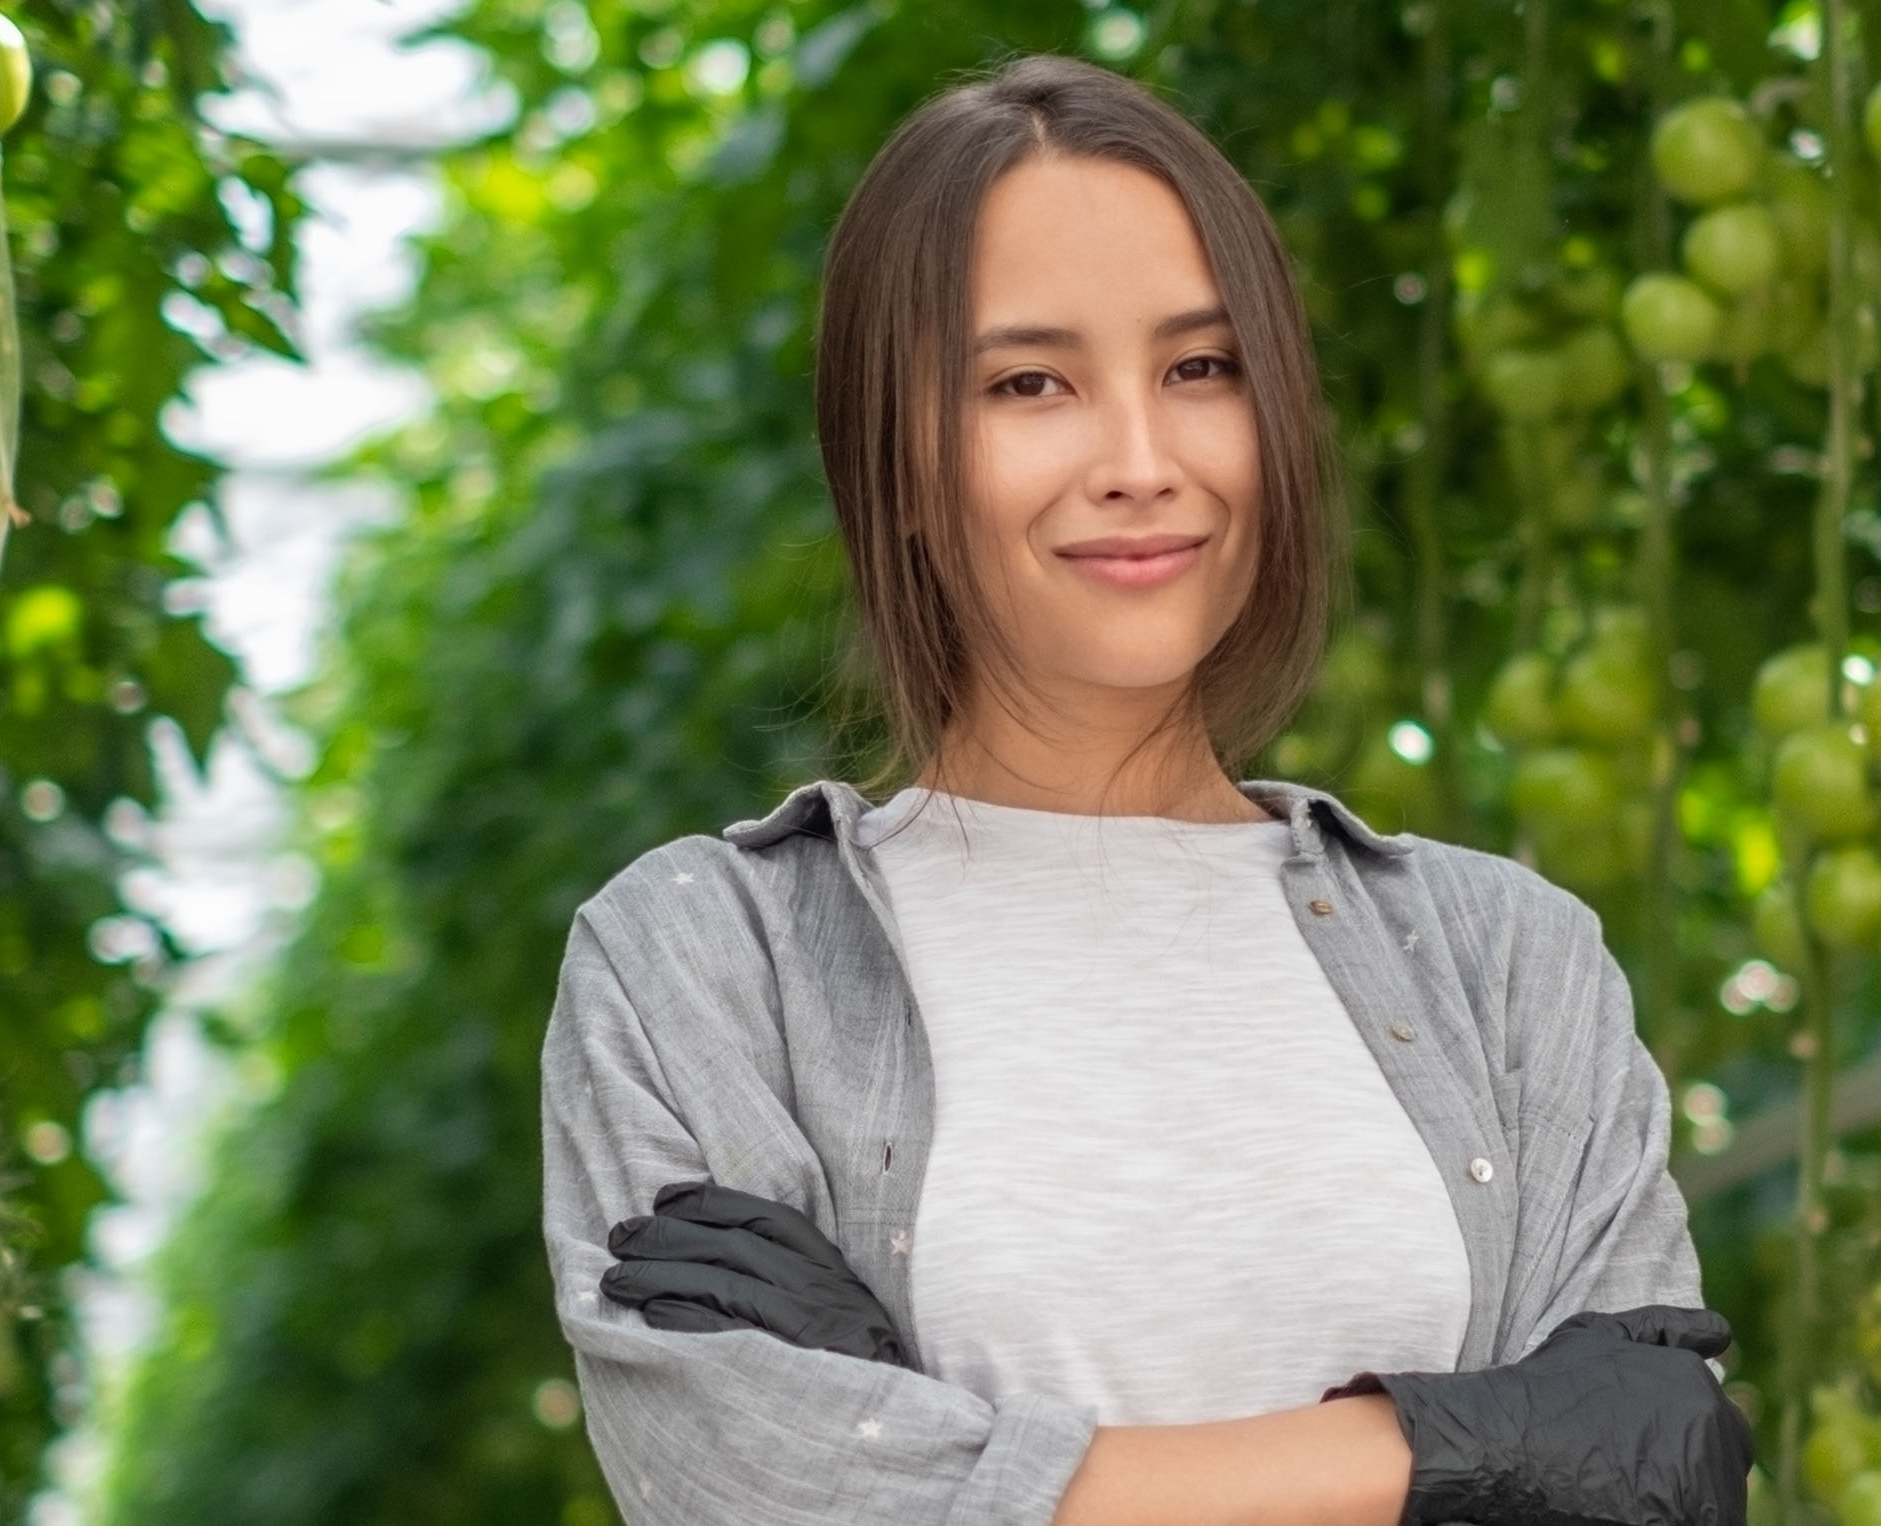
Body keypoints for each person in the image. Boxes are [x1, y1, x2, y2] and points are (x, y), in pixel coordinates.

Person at [537, 53, 1753, 1526]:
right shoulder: (705, 960)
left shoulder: (1513, 960)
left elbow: (1648, 1487)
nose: (1139, 460)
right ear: (901, 453)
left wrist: (940, 1445)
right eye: (1029, 382)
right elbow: (741, 1490)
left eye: (1200, 368)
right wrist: (1461, 1450)